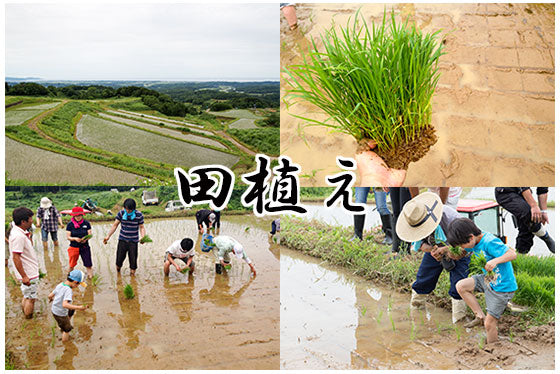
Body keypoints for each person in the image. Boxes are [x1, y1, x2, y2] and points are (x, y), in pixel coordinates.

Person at [395, 192, 469, 323]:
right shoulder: (414, 219)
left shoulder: (452, 220)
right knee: (423, 278)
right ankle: (416, 313)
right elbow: (419, 245)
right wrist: (433, 250)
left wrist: (446, 249)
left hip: (457, 248)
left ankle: (459, 320)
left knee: (458, 284)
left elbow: (466, 247)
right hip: (434, 248)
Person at [447, 218, 517, 343]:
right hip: (487, 279)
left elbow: (512, 254)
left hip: (501, 287)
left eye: (462, 245)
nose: (462, 248)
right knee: (461, 286)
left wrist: (495, 261)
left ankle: (493, 349)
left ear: (471, 237)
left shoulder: (490, 242)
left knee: (489, 324)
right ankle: (479, 316)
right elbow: (463, 252)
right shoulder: (474, 241)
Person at [495, 187, 554, 254]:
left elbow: (542, 189)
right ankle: (545, 237)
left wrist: (543, 211)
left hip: (522, 194)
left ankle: (521, 255)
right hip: (505, 192)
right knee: (530, 214)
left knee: (527, 228)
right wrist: (534, 206)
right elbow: (523, 186)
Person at [103, 198, 146, 276]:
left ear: (133, 209)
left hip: (133, 242)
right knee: (119, 260)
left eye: (129, 210)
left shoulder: (139, 215)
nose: (128, 211)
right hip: (122, 240)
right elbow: (115, 225)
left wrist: (143, 237)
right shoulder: (121, 213)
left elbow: (142, 227)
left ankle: (132, 276)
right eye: (126, 209)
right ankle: (118, 273)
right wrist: (108, 236)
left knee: (133, 261)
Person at [9, 207, 39, 319]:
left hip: (28, 272)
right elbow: (16, 257)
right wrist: (24, 276)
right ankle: (29, 320)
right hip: (28, 274)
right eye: (30, 218)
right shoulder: (18, 236)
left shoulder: (19, 231)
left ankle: (25, 314)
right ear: (23, 221)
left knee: (27, 296)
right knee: (31, 299)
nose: (32, 220)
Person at [48, 269, 88, 342]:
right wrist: (79, 307)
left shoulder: (60, 284)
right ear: (75, 282)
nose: (77, 286)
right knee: (67, 330)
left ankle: (63, 325)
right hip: (60, 313)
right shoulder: (68, 290)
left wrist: (51, 299)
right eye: (78, 284)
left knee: (71, 310)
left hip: (54, 310)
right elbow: (65, 304)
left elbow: (50, 295)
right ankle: (66, 343)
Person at [66, 206, 93, 278]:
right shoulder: (70, 225)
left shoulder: (86, 223)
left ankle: (90, 277)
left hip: (85, 247)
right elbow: (68, 237)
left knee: (88, 264)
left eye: (80, 215)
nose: (78, 217)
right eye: (76, 215)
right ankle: (69, 277)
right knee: (72, 264)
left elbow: (90, 234)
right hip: (74, 247)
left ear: (82, 215)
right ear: (73, 215)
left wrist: (86, 239)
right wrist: (74, 239)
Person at [389, 187, 412, 254]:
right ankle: (396, 247)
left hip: (406, 179)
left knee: (404, 212)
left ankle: (405, 248)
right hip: (393, 179)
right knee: (395, 212)